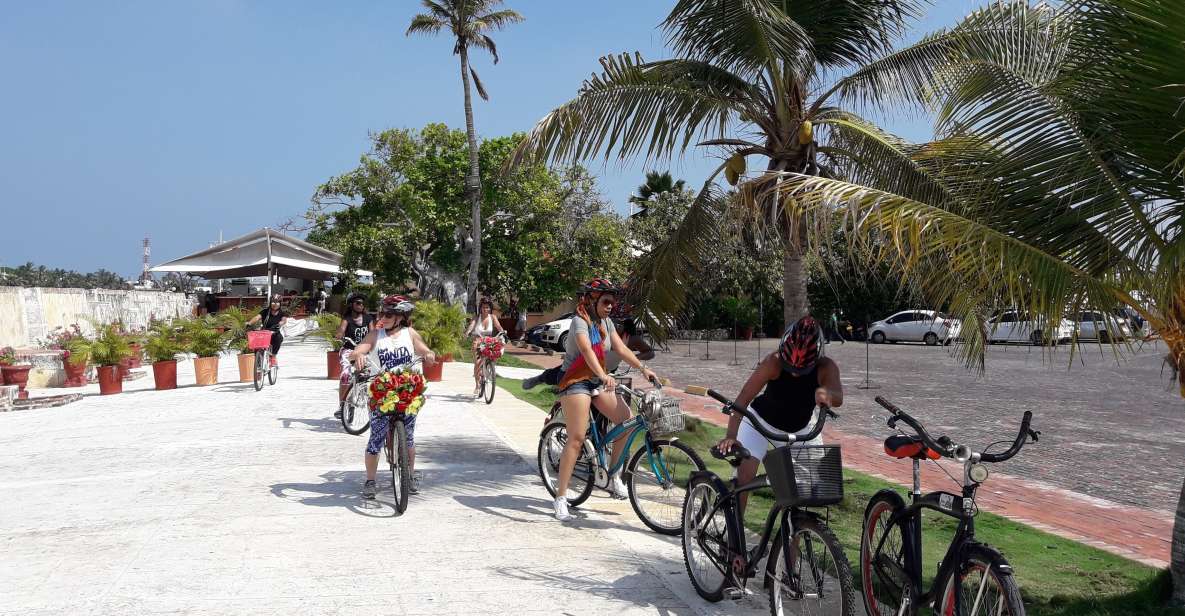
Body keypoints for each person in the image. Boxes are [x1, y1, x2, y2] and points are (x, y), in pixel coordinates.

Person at [551, 279, 661, 522]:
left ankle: (613, 475)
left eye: (613, 302)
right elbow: (587, 351)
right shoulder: (580, 321)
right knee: (577, 438)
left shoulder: (607, 323)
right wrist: (603, 375)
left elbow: (621, 348)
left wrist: (644, 369)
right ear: (592, 300)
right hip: (576, 380)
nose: (611, 306)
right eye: (606, 301)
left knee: (626, 421)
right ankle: (560, 498)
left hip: (598, 379)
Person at [714, 315, 843, 516]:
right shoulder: (772, 362)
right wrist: (731, 435)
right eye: (791, 368)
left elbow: (838, 395)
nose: (795, 374)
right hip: (760, 424)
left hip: (801, 429)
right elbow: (743, 398)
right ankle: (734, 535)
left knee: (808, 489)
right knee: (745, 476)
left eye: (802, 369)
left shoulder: (826, 367)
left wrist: (828, 395)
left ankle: (796, 540)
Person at [351, 295, 437, 498]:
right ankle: (370, 480)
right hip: (381, 392)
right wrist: (360, 355)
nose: (384, 317)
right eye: (382, 313)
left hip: (407, 390)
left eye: (389, 314)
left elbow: (424, 349)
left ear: (400, 316)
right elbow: (357, 351)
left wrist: (429, 354)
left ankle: (410, 474)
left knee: (408, 438)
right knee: (376, 439)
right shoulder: (375, 335)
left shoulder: (410, 333)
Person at [334, 292, 374, 419]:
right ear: (352, 305)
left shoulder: (368, 318)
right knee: (345, 376)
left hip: (364, 351)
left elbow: (372, 333)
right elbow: (340, 331)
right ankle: (342, 406)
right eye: (357, 303)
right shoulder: (347, 319)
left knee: (371, 376)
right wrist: (339, 335)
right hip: (349, 351)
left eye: (362, 303)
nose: (360, 305)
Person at [464, 298, 505, 396]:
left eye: (487, 307)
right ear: (480, 308)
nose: (485, 309)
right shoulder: (476, 317)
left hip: (488, 341)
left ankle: (488, 369)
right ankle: (477, 385)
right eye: (483, 307)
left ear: (490, 308)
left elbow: (499, 327)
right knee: (478, 362)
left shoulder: (493, 317)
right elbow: (471, 325)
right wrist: (468, 332)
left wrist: (503, 332)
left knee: (494, 355)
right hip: (478, 342)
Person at [247, 295, 288, 366]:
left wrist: (280, 323)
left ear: (280, 304)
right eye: (273, 302)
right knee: (256, 344)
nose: (275, 304)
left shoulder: (282, 313)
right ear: (270, 303)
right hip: (264, 333)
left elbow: (284, 320)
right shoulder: (265, 312)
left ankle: (273, 357)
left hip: (274, 332)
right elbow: (257, 317)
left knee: (279, 338)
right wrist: (249, 323)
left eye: (277, 302)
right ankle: (258, 363)